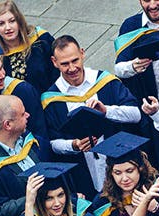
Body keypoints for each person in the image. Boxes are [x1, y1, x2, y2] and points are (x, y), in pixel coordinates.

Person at [42, 36, 142, 196]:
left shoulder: (105, 81)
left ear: (82, 53)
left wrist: (107, 111)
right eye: (64, 64)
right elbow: (52, 142)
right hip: (84, 175)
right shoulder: (51, 99)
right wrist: (73, 145)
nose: (72, 68)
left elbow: (136, 114)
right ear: (54, 62)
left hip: (120, 167)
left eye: (75, 60)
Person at [0, 0, 57, 92]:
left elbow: (59, 68)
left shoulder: (41, 40)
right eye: (1, 24)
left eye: (12, 21)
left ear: (19, 21)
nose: (8, 27)